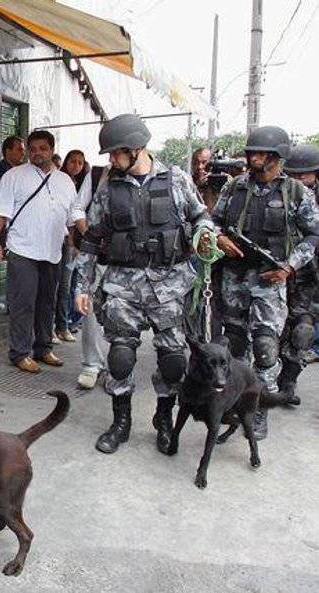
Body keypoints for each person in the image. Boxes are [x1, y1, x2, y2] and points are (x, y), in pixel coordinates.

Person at [75, 114, 213, 455]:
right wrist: (82, 286)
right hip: (123, 285)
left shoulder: (176, 180)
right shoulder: (110, 188)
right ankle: (120, 423)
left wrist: (206, 233)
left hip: (169, 285)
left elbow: (201, 215)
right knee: (120, 358)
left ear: (136, 149)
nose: (110, 160)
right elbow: (91, 239)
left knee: (173, 361)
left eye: (115, 153)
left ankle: (163, 420)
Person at [212, 128, 319, 439]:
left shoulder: (297, 192)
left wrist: (289, 266)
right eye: (250, 153)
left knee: (265, 348)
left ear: (276, 157)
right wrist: (218, 237)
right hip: (233, 277)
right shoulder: (234, 188)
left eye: (259, 153)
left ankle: (259, 411)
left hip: (269, 280)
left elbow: (314, 234)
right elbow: (213, 220)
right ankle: (235, 409)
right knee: (235, 348)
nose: (252, 158)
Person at [0, 130, 84, 373]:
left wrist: (77, 245)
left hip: (52, 250)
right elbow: (0, 210)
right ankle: (20, 353)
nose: (37, 153)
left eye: (42, 149)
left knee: (46, 302)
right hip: (23, 249)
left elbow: (73, 217)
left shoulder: (65, 181)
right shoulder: (14, 176)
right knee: (23, 303)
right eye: (33, 149)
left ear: (51, 150)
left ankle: (43, 348)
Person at [278, 144, 319, 406]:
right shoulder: (282, 193)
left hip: (309, 280)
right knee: (268, 334)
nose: (298, 180)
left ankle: (288, 382)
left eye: (303, 176)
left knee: (302, 332)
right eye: (293, 174)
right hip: (276, 273)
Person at [72, 165, 109, 390]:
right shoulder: (97, 175)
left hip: (132, 263)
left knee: (124, 318)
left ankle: (119, 369)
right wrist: (90, 236)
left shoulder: (154, 178)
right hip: (98, 257)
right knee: (90, 311)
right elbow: (77, 208)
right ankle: (92, 364)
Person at [55, 149, 89, 343]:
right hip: (60, 240)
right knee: (58, 285)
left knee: (69, 285)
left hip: (73, 244)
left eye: (80, 162)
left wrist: (77, 244)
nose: (76, 166)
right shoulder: (59, 182)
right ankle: (56, 326)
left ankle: (64, 325)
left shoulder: (83, 185)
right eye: (73, 162)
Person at [0, 135, 26, 203]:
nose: (23, 153)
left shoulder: (16, 170)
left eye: (23, 150)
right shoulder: (2, 172)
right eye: (19, 150)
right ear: (8, 151)